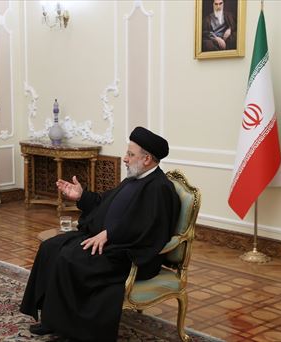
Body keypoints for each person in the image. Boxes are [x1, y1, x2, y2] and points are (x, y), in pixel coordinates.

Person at [20, 127, 181, 342]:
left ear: (147, 159)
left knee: (72, 259)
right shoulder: (134, 179)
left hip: (130, 253)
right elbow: (104, 204)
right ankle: (53, 321)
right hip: (109, 241)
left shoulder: (160, 188)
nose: (125, 158)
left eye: (130, 154)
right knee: (51, 247)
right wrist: (81, 196)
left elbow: (150, 228)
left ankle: (75, 331)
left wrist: (111, 234)